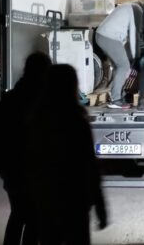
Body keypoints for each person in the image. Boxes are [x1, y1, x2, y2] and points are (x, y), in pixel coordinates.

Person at [27, 64, 107, 245]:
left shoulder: (38, 119)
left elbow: (30, 162)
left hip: (48, 200)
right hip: (75, 201)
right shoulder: (77, 120)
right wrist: (100, 206)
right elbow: (89, 165)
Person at [0, 51, 52, 245]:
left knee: (18, 214)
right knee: (33, 220)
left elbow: (0, 135)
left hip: (12, 169)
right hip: (34, 170)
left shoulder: (10, 98)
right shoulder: (43, 101)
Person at [95, 2, 143, 109]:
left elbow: (126, 37)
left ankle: (117, 95)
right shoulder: (137, 10)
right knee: (123, 66)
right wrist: (135, 58)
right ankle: (115, 99)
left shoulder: (129, 6)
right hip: (108, 36)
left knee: (119, 66)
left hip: (103, 35)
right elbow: (134, 36)